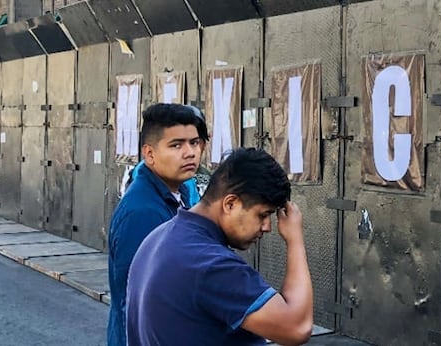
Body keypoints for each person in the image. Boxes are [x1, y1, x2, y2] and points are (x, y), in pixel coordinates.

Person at [126, 147, 313, 346]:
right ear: (230, 204)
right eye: (262, 215)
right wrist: (295, 240)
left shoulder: (159, 237)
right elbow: (297, 327)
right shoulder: (210, 263)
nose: (267, 227)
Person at [107, 103, 208, 346]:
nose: (190, 152)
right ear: (149, 154)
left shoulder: (181, 192)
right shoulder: (143, 212)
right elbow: (142, 300)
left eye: (194, 143)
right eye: (176, 145)